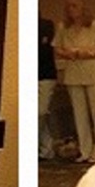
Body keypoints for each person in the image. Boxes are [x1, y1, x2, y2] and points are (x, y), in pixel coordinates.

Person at [54, 0, 95, 163]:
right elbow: (57, 48)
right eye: (69, 7)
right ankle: (85, 150)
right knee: (79, 115)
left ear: (83, 7)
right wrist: (69, 53)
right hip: (74, 72)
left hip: (94, 72)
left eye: (75, 6)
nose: (72, 10)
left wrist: (89, 53)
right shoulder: (63, 27)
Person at [37, 17, 57, 160]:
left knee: (41, 112)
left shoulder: (46, 25)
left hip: (46, 74)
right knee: (37, 114)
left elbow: (45, 49)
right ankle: (46, 149)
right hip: (36, 73)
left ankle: (43, 147)